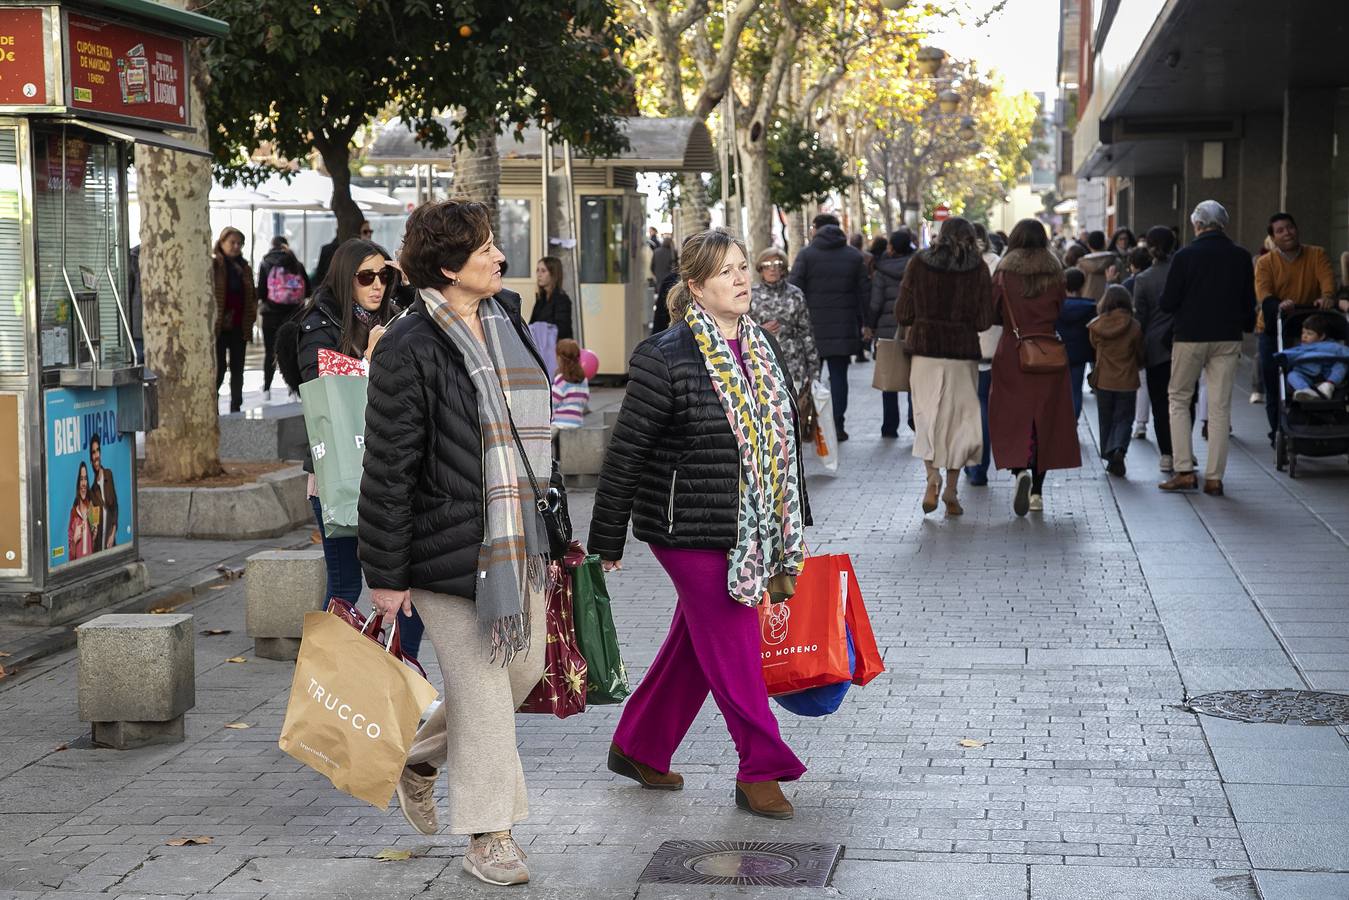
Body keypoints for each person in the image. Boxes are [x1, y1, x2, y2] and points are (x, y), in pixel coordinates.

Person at [361, 201, 553, 886]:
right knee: (483, 697)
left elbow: (530, 445)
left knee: (521, 674)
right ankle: (488, 837)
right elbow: (387, 468)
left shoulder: (506, 322)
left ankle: (416, 756)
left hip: (516, 544)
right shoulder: (409, 345)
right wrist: (384, 575)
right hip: (446, 552)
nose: (499, 258)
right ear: (448, 268)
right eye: (485, 250)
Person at [589, 228, 810, 821]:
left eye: (743, 267)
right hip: (686, 526)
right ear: (695, 286)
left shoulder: (764, 346)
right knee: (734, 640)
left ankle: (639, 744)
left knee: (698, 641)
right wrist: (605, 538)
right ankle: (761, 766)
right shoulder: (665, 355)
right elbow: (627, 453)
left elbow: (778, 446)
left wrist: (792, 519)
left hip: (752, 525)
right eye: (726, 272)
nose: (741, 279)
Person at [291, 238, 426, 661]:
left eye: (384, 276)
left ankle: (403, 673)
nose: (378, 285)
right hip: (342, 474)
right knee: (346, 586)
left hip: (393, 472)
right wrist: (370, 357)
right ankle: (332, 679)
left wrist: (406, 278)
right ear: (344, 278)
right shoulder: (318, 323)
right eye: (366, 277)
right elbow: (320, 391)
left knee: (410, 590)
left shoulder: (395, 315)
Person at [896, 216, 995, 516]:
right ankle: (952, 489)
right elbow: (984, 320)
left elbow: (903, 310)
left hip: (925, 352)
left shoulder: (919, 262)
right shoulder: (977, 268)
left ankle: (931, 480)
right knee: (959, 422)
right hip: (962, 353)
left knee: (927, 417)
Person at [1158, 200, 1257, 496]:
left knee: (1178, 399)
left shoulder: (1185, 256)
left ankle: (1184, 470)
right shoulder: (1240, 256)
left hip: (1189, 336)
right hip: (1227, 337)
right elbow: (1247, 300)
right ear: (1222, 224)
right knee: (1219, 408)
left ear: (1198, 225)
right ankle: (1214, 478)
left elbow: (1168, 302)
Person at [989, 219, 1080, 516]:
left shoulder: (1004, 272)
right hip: (1048, 352)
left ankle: (1019, 473)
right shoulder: (1055, 271)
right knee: (1046, 420)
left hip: (1013, 352)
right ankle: (1038, 492)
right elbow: (1060, 309)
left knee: (1012, 417)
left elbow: (993, 311)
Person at [1253, 212, 1336, 443]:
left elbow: (1327, 280)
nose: (1287, 233)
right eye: (1280, 231)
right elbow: (1264, 293)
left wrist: (1327, 296)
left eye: (1290, 227)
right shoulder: (1265, 263)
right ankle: (1277, 430)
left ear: (1296, 229)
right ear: (1272, 238)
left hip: (1308, 325)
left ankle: (1311, 424)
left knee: (1310, 375)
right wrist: (1277, 304)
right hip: (1274, 326)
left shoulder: (1316, 254)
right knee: (1274, 381)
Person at [790, 213, 868, 440]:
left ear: (816, 229)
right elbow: (864, 292)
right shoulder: (853, 256)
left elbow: (794, 289)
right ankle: (837, 424)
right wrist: (867, 324)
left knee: (811, 378)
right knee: (839, 377)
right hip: (843, 329)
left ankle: (809, 424)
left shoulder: (806, 254)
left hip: (810, 329)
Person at [1132, 226, 1181, 472]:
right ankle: (1184, 450)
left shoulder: (1143, 279)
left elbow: (1140, 318)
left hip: (1155, 348)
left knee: (1160, 402)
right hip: (1183, 342)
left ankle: (1167, 454)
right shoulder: (1183, 272)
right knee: (1184, 400)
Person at [1089, 285, 1145, 476]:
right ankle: (1119, 448)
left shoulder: (1096, 326)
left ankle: (1109, 454)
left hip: (1104, 379)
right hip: (1127, 380)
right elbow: (1139, 353)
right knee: (1124, 418)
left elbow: (1094, 348)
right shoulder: (1135, 326)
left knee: (1105, 419)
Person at [750, 247, 820, 391]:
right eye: (767, 265)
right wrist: (759, 331)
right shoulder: (750, 296)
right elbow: (739, 331)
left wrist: (814, 373)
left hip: (794, 366)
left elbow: (806, 334)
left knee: (796, 411)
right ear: (760, 269)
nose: (772, 269)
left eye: (777, 264)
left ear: (783, 268)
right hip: (761, 366)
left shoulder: (796, 294)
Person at [869, 229, 915, 439]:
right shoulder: (917, 267)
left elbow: (876, 303)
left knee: (889, 375)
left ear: (891, 248)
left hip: (886, 330)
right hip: (912, 328)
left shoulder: (881, 271)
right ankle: (914, 420)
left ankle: (890, 425)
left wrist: (870, 326)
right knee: (913, 377)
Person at [256, 236, 311, 402]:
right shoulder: (297, 264)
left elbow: (262, 293)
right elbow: (307, 290)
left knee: (269, 353)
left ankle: (266, 389)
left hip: (271, 315)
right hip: (294, 315)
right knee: (291, 353)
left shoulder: (266, 263)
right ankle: (293, 390)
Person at [212, 227, 256, 413]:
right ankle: (212, 405)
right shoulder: (214, 264)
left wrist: (251, 315)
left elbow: (252, 294)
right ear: (222, 243)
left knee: (238, 369)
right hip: (219, 327)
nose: (236, 246)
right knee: (219, 369)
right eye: (232, 242)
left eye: (239, 243)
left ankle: (236, 405)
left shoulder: (244, 267)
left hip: (239, 325)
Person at [1277, 313, 1349, 400]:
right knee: (1292, 375)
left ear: (1322, 336)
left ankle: (1329, 385)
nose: (1304, 336)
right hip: (1307, 377)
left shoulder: (1332, 346)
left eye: (1309, 333)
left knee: (1342, 364)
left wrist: (1330, 381)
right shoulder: (1300, 349)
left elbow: (1345, 353)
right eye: (1303, 332)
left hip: (1327, 376)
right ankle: (1305, 391)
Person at [1056, 267, 1096, 419]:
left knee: (1059, 391)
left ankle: (1061, 424)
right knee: (1075, 390)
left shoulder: (1056, 307)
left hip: (1058, 352)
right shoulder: (1090, 308)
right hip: (1080, 353)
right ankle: (1074, 423)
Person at [1122, 245, 1154, 439]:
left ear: (1132, 265)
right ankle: (1143, 422)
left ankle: (1140, 424)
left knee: (1140, 382)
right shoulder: (1157, 279)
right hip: (1156, 336)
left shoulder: (1127, 284)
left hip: (1134, 336)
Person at [312, 220, 373, 287]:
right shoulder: (332, 250)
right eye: (365, 232)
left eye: (370, 232)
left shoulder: (371, 252)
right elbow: (321, 276)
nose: (369, 235)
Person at [530, 255, 573, 341]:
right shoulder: (540, 299)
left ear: (553, 274)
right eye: (537, 270)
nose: (539, 275)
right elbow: (532, 324)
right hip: (542, 347)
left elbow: (561, 331)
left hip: (557, 349)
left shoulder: (562, 300)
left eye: (543, 271)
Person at [551, 338, 591, 430]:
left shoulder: (561, 380)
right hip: (577, 424)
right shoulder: (584, 380)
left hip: (559, 424)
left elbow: (553, 402)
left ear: (559, 358)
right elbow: (585, 400)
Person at [87, 432, 118, 550]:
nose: (96, 455)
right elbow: (92, 520)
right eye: (93, 453)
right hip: (99, 547)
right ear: (91, 460)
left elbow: (115, 507)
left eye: (97, 451)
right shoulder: (92, 490)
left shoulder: (108, 475)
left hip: (111, 543)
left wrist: (112, 534)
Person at [1077, 230, 1117, 301]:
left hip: (1087, 301)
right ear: (1104, 243)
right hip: (1110, 300)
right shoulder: (1115, 261)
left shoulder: (1082, 264)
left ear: (1088, 245)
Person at [67, 462, 94, 561]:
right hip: (78, 569)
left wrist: (95, 534)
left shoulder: (92, 510)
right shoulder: (73, 514)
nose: (83, 483)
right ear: (78, 483)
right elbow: (70, 555)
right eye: (81, 479)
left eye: (85, 479)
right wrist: (74, 539)